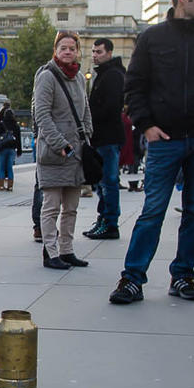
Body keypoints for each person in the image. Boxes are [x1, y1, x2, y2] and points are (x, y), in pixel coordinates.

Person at [109, 0, 194, 304]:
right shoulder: (152, 39)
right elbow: (134, 87)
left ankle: (183, 276)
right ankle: (132, 278)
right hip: (165, 139)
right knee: (153, 210)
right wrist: (146, 125)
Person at [34, 31, 92, 269]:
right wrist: (60, 144)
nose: (68, 52)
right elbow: (42, 115)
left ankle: (67, 250)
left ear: (77, 51)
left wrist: (87, 134)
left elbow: (85, 109)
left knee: (71, 207)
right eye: (63, 48)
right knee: (51, 205)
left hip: (76, 152)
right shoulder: (47, 76)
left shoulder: (79, 77)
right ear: (55, 51)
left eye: (72, 48)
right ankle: (51, 251)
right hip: (55, 152)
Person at [83, 38, 125, 240]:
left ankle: (110, 223)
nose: (94, 55)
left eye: (99, 52)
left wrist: (90, 118)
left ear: (109, 52)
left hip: (107, 137)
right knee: (101, 182)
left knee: (108, 181)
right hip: (100, 137)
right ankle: (103, 219)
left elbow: (110, 107)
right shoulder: (104, 75)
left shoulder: (114, 75)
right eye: (93, 51)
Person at [0, 108, 22, 190]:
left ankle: (1, 185)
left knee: (1, 168)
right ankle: (10, 186)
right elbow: (18, 139)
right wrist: (19, 150)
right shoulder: (16, 125)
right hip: (12, 148)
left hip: (2, 148)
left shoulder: (1, 124)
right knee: (10, 168)